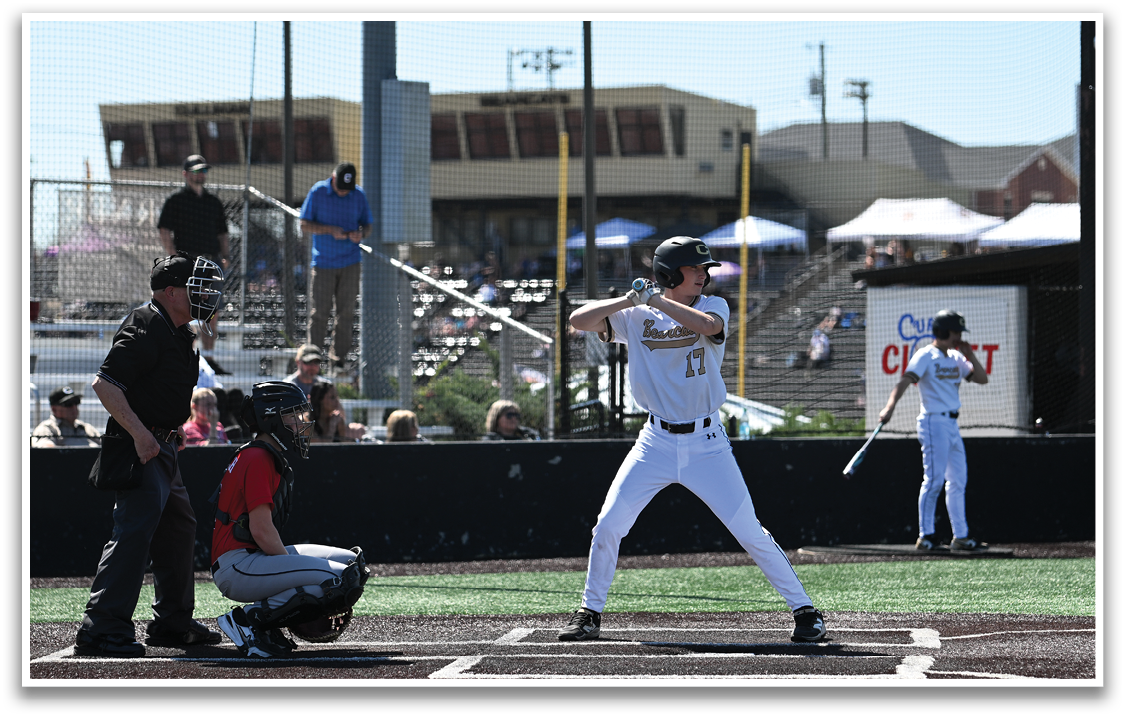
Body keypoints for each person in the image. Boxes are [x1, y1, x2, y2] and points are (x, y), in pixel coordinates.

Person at [558, 237, 827, 644]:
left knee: (749, 531)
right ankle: (589, 612)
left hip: (708, 442)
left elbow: (706, 328)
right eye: (694, 268)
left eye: (705, 269)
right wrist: (628, 301)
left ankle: (805, 611)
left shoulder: (713, 306)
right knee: (608, 524)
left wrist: (655, 301)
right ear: (669, 274)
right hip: (654, 442)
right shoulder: (636, 315)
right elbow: (578, 320)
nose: (704, 274)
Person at [74, 252, 225, 658]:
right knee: (133, 533)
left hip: (164, 446)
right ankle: (101, 627)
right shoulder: (145, 322)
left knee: (179, 528)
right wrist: (142, 435)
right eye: (195, 286)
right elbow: (105, 385)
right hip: (141, 447)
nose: (204, 293)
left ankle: (172, 622)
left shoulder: (177, 329)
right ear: (170, 291)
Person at [210, 382, 370, 657]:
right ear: (272, 418)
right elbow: (260, 529)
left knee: (351, 566)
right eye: (291, 415)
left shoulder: (262, 453)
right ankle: (246, 621)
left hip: (249, 557)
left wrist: (295, 573)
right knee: (337, 580)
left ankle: (266, 622)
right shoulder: (258, 456)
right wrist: (297, 580)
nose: (299, 422)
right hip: (236, 565)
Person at [879, 309, 990, 552]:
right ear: (942, 331)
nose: (959, 336)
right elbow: (905, 381)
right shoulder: (925, 355)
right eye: (955, 331)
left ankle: (960, 536)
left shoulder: (957, 357)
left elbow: (982, 378)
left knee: (958, 480)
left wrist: (970, 354)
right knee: (934, 480)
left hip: (951, 423)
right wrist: (890, 407)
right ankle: (926, 535)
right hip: (933, 421)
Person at [158, 155, 232, 374]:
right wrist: (173, 257)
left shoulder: (213, 202)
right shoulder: (176, 200)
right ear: (185, 174)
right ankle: (186, 359)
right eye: (196, 171)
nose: (200, 175)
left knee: (211, 312)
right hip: (186, 261)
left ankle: (208, 360)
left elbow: (223, 232)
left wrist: (226, 256)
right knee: (185, 311)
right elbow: (164, 230)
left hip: (211, 261)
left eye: (203, 171)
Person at [299, 162, 373, 372]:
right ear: (332, 178)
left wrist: (361, 234)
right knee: (319, 312)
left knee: (346, 313)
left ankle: (338, 360)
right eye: (340, 187)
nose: (342, 192)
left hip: (350, 262)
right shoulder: (318, 191)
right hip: (323, 263)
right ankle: (313, 358)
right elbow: (304, 224)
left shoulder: (358, 195)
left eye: (346, 189)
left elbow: (367, 226)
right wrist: (329, 230)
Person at [31, 385, 102, 447]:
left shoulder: (87, 428)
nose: (74, 407)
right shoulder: (47, 429)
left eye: (76, 402)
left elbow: (105, 449)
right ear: (54, 409)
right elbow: (46, 453)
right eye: (69, 404)